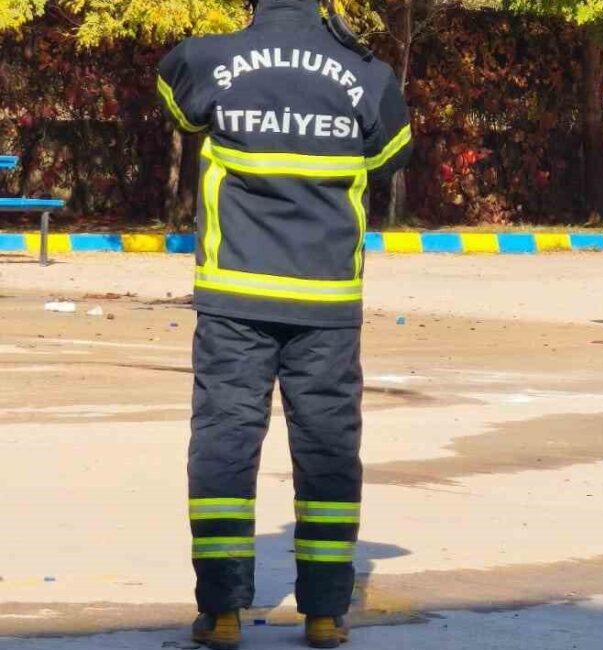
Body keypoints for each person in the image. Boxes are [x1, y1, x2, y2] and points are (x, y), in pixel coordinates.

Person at [156, 0, 411, 647]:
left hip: (233, 297)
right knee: (326, 447)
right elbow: (390, 156)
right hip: (325, 301)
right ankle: (325, 612)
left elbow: (174, 95)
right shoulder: (368, 74)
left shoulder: (207, 60)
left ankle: (220, 613)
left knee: (225, 441)